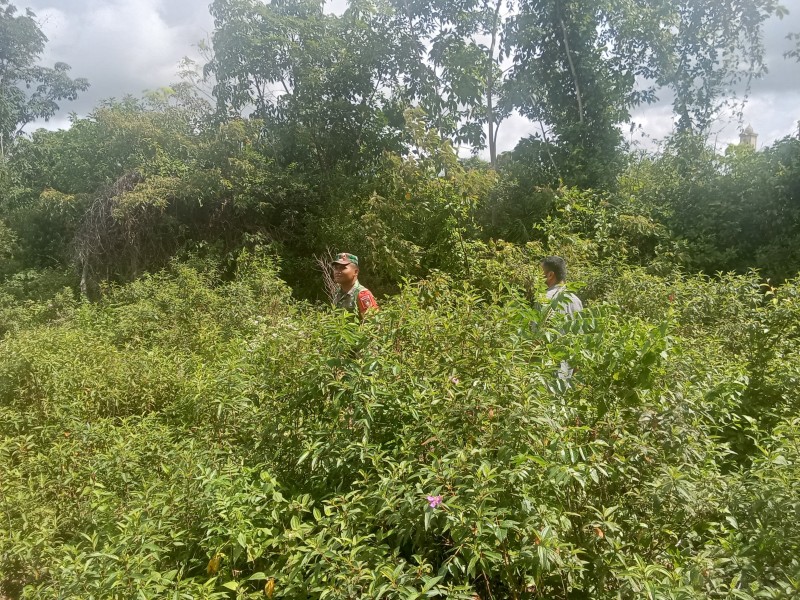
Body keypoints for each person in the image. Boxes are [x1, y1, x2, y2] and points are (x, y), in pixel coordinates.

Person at [540, 255, 582, 382]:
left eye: (540, 272)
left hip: (545, 371)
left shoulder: (544, 299)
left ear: (550, 275)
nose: (537, 277)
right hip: (567, 372)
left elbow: (537, 338)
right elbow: (579, 339)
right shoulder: (576, 301)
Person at [331, 252, 378, 317]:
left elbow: (372, 324)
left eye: (343, 268)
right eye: (336, 268)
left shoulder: (363, 295)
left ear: (356, 272)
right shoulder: (338, 293)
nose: (337, 272)